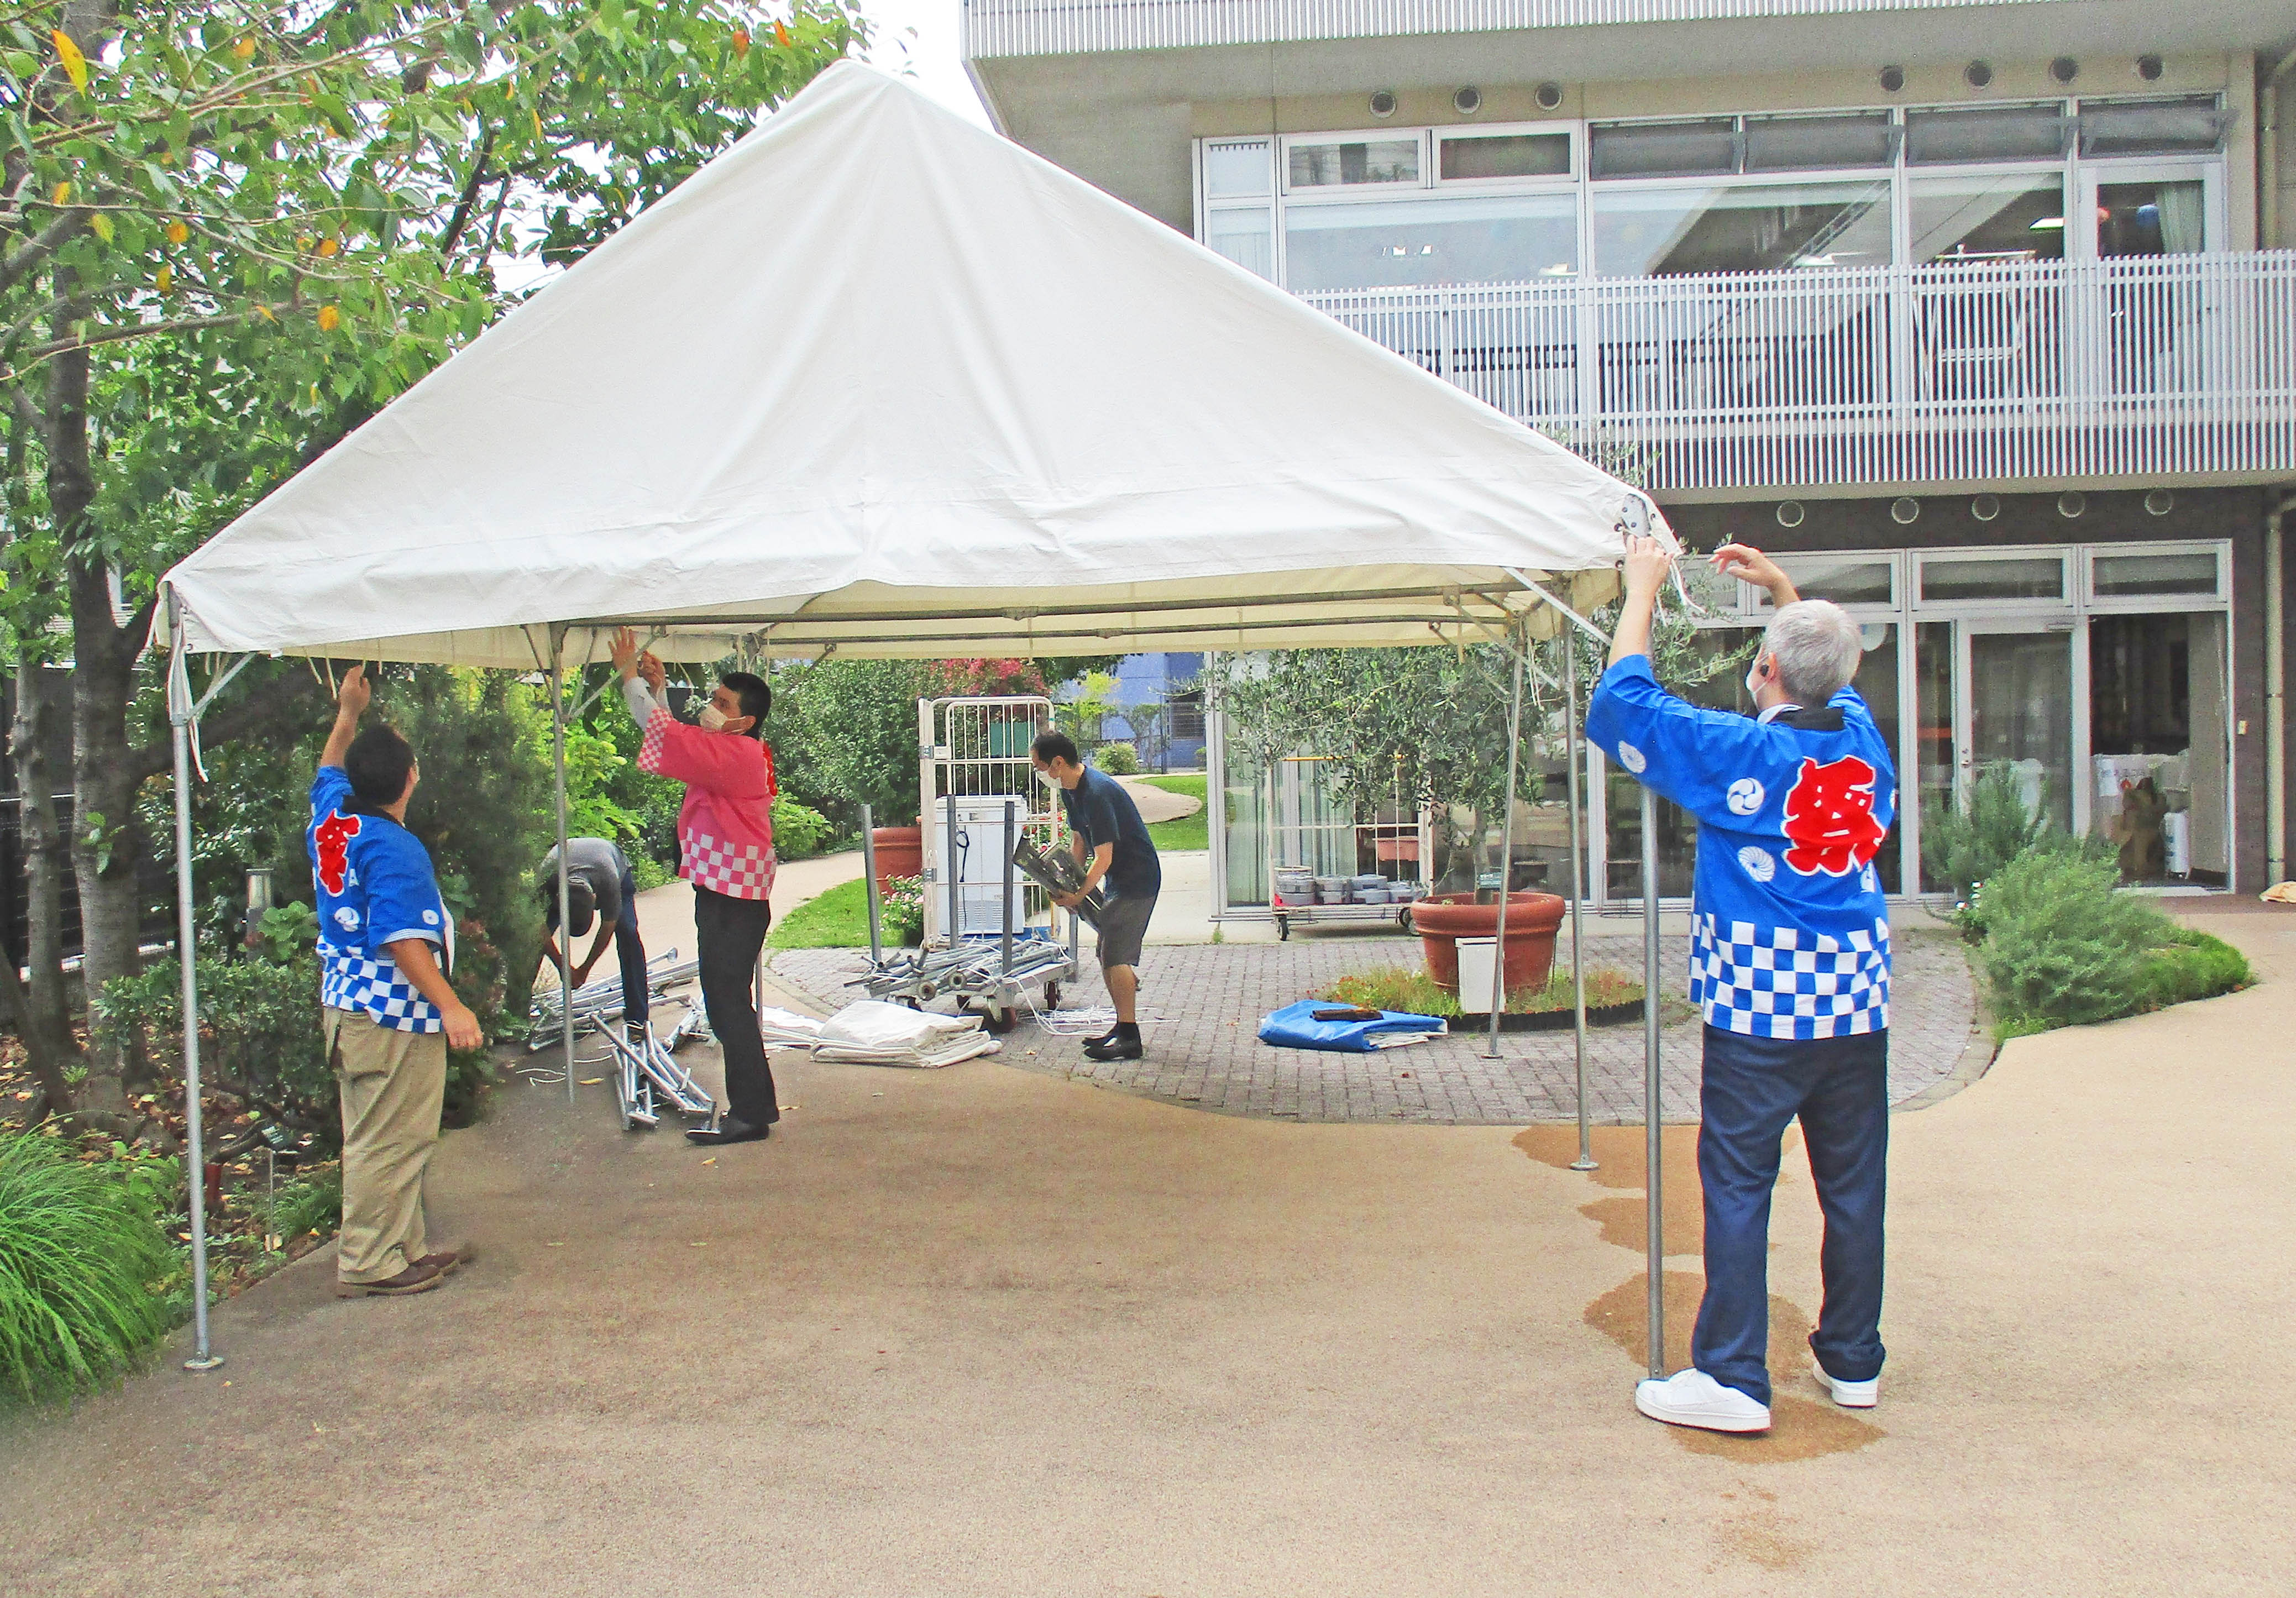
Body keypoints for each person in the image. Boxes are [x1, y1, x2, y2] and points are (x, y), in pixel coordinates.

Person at [1586, 537, 1896, 1435]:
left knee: (1734, 1183)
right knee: (1852, 1186)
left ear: (1761, 669)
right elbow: (1821, 678)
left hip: (1760, 1012)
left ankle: (1729, 1376)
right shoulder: (1863, 747)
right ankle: (1851, 1361)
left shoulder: (1734, 753)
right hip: (1855, 1006)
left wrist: (1641, 587)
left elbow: (1622, 704)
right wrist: (1786, 596)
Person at [307, 665, 483, 1298]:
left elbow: (327, 770)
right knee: (394, 1138)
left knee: (376, 1133)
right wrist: (452, 1006)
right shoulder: (394, 847)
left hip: (345, 1005)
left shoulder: (335, 819)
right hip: (390, 1014)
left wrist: (349, 712)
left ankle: (400, 1245)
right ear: (411, 777)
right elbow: (402, 937)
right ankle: (371, 1261)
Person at [610, 628, 780, 1145]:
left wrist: (631, 678)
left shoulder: (738, 754)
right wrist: (657, 693)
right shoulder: (733, 750)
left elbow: (673, 740)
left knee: (728, 1001)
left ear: (745, 720)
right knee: (728, 1000)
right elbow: (680, 742)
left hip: (732, 898)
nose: (710, 707)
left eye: (722, 703)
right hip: (729, 894)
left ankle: (751, 1111)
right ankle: (752, 1107)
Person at [1030, 730, 1161, 1062]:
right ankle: (1123, 1026)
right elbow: (1079, 844)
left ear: (1058, 763)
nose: (1040, 774)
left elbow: (1104, 858)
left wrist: (1078, 896)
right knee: (1107, 951)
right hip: (1122, 879)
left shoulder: (1098, 793)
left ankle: (1130, 1036)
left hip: (1137, 879)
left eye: (1040, 767)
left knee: (1116, 955)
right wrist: (1067, 882)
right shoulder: (1072, 791)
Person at [538, 836, 649, 1039]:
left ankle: (637, 1020)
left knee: (627, 932)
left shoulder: (608, 882)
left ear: (596, 900)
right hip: (563, 869)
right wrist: (562, 965)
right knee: (532, 945)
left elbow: (608, 927)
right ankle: (517, 1015)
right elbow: (537, 929)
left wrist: (584, 970)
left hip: (613, 862)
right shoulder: (547, 878)